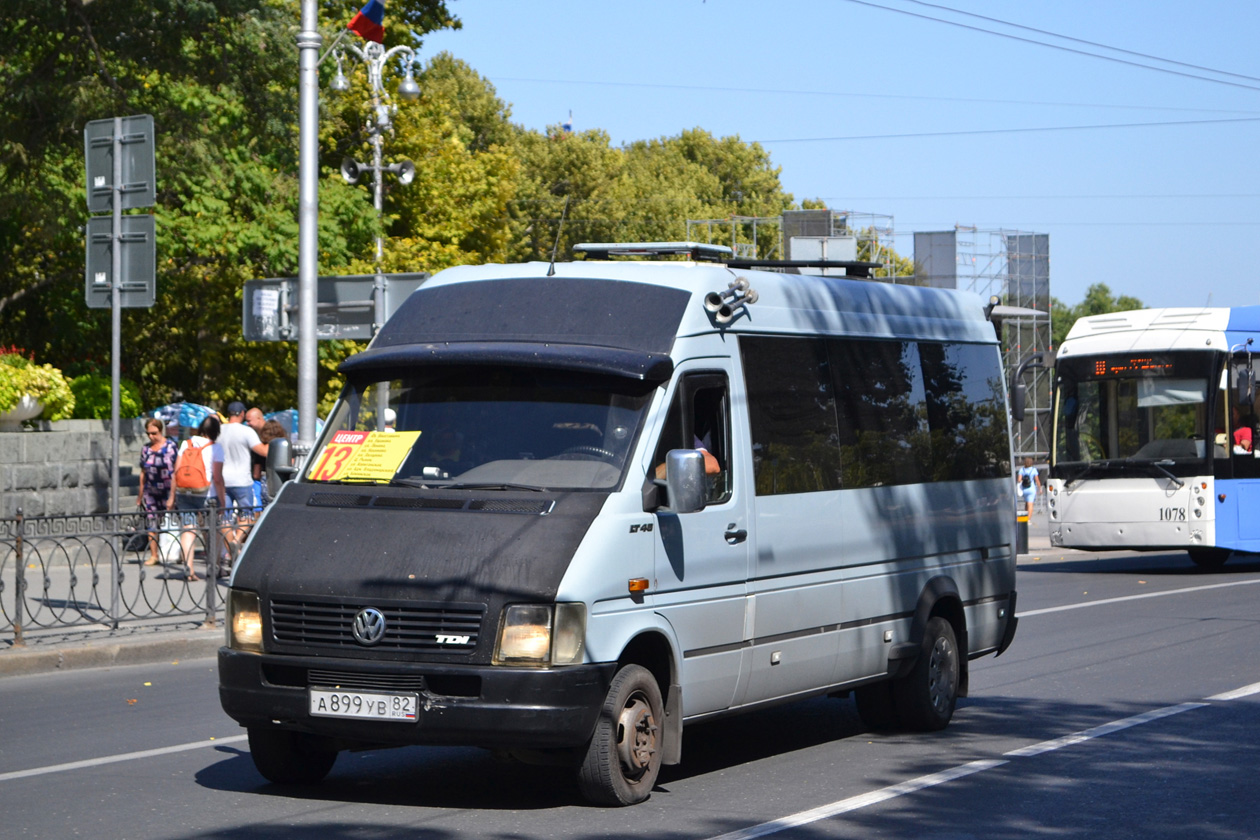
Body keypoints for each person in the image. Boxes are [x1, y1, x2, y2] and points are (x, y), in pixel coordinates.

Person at [169, 415, 226, 581]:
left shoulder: (186, 444)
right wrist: (222, 500)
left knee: (188, 529)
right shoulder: (216, 448)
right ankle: (214, 568)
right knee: (213, 532)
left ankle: (189, 569)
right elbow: (217, 478)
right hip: (207, 496)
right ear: (216, 431)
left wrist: (172, 497)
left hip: (184, 493)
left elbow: (176, 472)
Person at [136, 417, 177, 567]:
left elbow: (176, 472)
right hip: (151, 492)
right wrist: (140, 495)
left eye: (154, 433)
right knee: (152, 523)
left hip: (168, 490)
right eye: (148, 434)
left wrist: (173, 495)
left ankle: (177, 553)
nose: (151, 437)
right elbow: (143, 472)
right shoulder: (146, 449)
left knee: (173, 523)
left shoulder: (171, 446)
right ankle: (154, 555)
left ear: (161, 431)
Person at [219, 401, 268, 521]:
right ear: (242, 413)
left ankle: (227, 540)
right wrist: (274, 440)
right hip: (242, 481)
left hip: (222, 480)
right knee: (247, 516)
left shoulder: (218, 430)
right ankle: (236, 540)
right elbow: (263, 451)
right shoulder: (246, 431)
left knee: (226, 518)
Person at [256, 418, 288, 507]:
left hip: (265, 481)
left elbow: (256, 473)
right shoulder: (285, 446)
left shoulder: (261, 449)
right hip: (282, 480)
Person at [245, 407, 267, 508]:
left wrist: (256, 474)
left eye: (249, 421)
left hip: (265, 478)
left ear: (259, 418)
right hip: (257, 478)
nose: (247, 424)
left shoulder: (270, 432)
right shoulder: (253, 433)